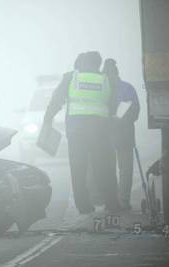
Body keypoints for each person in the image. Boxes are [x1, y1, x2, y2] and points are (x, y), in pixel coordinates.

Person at [43, 51, 121, 214]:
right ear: (98, 64)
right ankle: (111, 203)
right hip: (100, 130)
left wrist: (48, 119)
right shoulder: (106, 79)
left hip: (76, 130)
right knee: (103, 166)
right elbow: (114, 103)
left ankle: (83, 206)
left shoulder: (71, 78)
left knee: (78, 168)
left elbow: (56, 100)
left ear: (82, 62)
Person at [103, 58, 140, 211]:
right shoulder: (127, 88)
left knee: (107, 169)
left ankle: (111, 202)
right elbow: (135, 112)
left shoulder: (101, 89)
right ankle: (123, 201)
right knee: (125, 169)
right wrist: (121, 121)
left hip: (106, 135)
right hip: (124, 134)